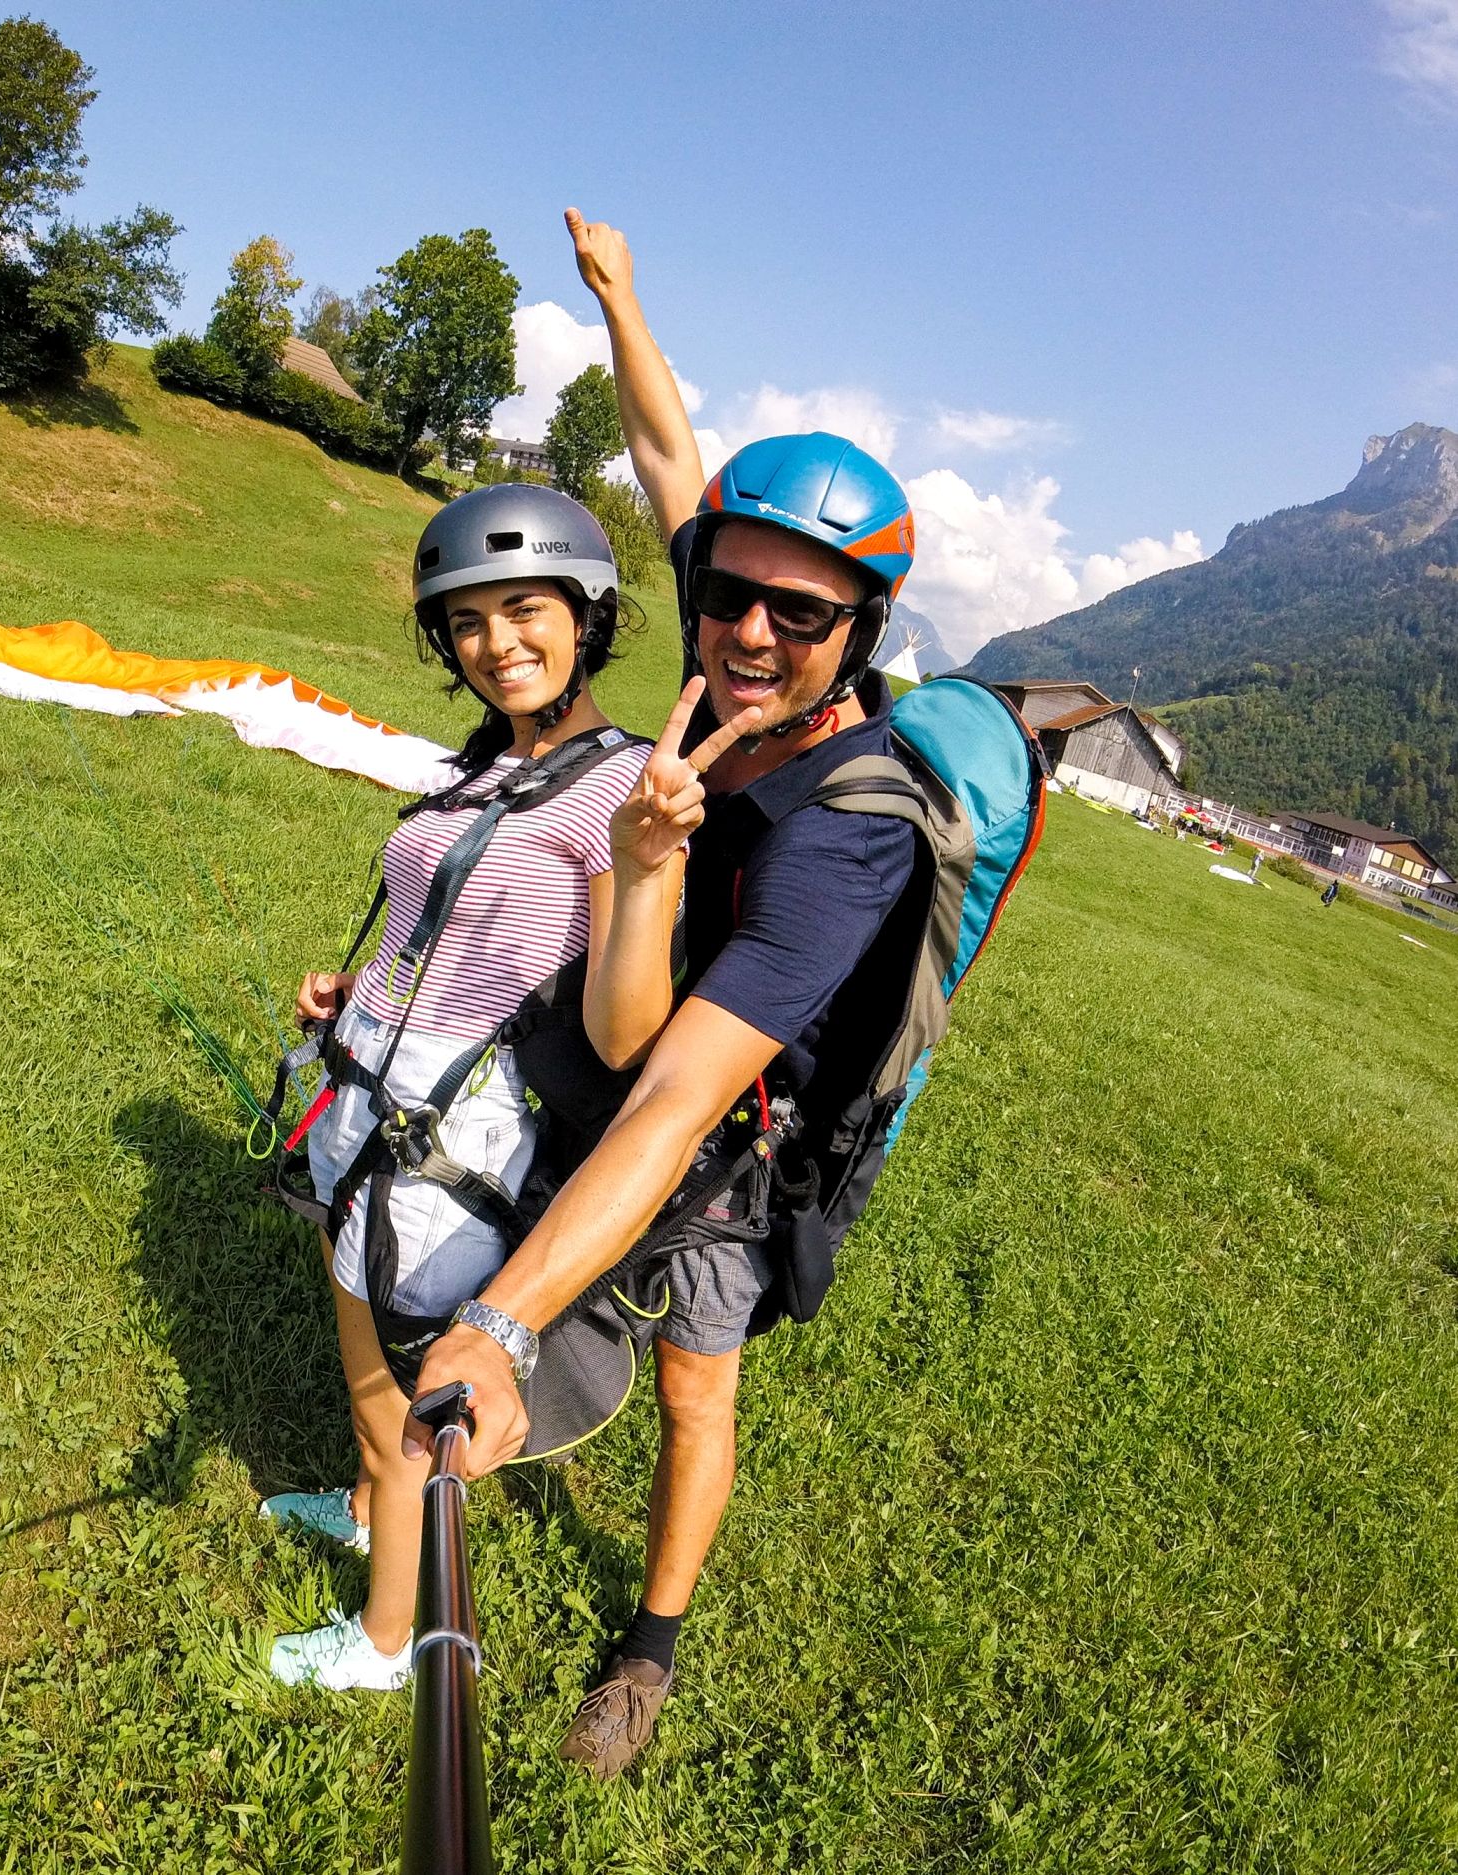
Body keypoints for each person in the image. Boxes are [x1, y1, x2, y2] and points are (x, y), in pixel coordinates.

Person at [407, 208, 923, 1776]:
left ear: (860, 630)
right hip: (615, 1042)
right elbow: (659, 450)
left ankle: (648, 1650)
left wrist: (497, 1319)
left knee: (696, 1386)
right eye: (728, 595)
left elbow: (680, 1094)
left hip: (728, 1148)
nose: (750, 633)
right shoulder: (723, 657)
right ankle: (444, 1441)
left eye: (801, 614)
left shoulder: (848, 834)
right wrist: (620, 294)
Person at [262, 481, 757, 1691]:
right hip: (366, 1091)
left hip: (450, 1136)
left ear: (587, 616)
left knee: (395, 1393)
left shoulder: (627, 786)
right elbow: (444, 926)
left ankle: (389, 1641)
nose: (499, 644)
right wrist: (354, 990)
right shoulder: (486, 767)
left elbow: (625, 1030)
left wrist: (646, 869)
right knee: (359, 1340)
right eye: (469, 622)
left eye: (526, 609)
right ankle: (375, 1513)